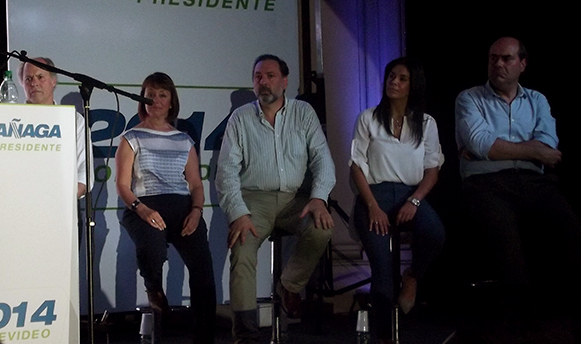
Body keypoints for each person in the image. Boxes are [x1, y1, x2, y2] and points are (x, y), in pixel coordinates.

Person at [455, 36, 581, 315]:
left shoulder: (537, 100)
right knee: (505, 236)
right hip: (486, 183)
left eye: (506, 58)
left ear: (522, 64)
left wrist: (495, 149)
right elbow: (481, 143)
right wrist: (532, 151)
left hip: (534, 181)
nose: (498, 64)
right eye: (493, 58)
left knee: (569, 227)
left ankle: (563, 311)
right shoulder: (469, 98)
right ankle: (519, 315)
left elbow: (549, 145)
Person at [216, 54, 335, 343]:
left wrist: (319, 198)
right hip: (254, 199)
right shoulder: (241, 118)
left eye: (270, 76)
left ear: (284, 81)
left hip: (296, 199)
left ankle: (289, 286)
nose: (263, 82)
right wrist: (238, 213)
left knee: (322, 228)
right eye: (258, 77)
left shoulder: (303, 112)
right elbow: (226, 171)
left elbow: (323, 159)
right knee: (241, 247)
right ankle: (245, 335)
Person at [115, 72, 216, 344]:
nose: (156, 100)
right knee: (153, 249)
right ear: (142, 99)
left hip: (183, 207)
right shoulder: (131, 137)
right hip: (144, 205)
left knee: (203, 271)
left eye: (162, 95)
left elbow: (196, 184)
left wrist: (196, 211)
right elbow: (122, 185)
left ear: (172, 101)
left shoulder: (184, 140)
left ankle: (203, 338)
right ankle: (153, 288)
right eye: (150, 95)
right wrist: (142, 209)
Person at [350, 57, 445, 341]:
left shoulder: (426, 123)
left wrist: (414, 201)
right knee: (382, 269)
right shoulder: (368, 118)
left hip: (410, 193)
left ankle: (413, 275)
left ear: (413, 85)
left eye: (402, 78)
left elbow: (432, 170)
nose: (394, 82)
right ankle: (385, 336)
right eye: (391, 76)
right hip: (374, 195)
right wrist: (372, 206)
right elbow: (356, 166)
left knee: (435, 234)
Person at [20, 57, 92, 197]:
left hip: (63, 202)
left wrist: (64, 200)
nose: (34, 83)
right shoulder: (12, 120)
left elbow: (84, 171)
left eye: (40, 77)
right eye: (28, 79)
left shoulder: (73, 119)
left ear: (53, 81)